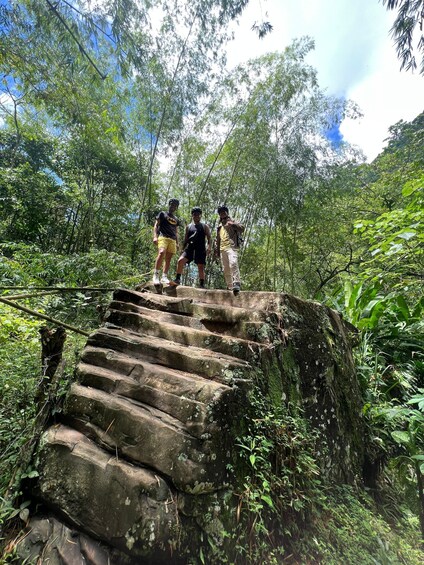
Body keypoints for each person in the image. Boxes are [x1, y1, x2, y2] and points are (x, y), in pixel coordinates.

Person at [170, 207, 212, 288]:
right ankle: (178, 279)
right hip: (190, 248)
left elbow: (209, 238)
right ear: (192, 216)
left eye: (198, 214)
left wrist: (209, 247)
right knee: (180, 261)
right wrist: (182, 249)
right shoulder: (188, 227)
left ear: (200, 216)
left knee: (201, 266)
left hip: (200, 248)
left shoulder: (204, 226)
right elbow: (185, 239)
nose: (196, 216)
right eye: (194, 214)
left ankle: (202, 284)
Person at [215, 205, 244, 295]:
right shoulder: (219, 226)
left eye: (224, 211)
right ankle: (230, 286)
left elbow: (242, 228)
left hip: (232, 246)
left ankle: (237, 283)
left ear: (227, 212)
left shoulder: (232, 221)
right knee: (226, 268)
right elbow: (218, 239)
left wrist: (233, 224)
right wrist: (216, 251)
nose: (222, 213)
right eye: (220, 212)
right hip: (222, 249)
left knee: (233, 263)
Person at [152, 198, 180, 285]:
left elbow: (176, 231)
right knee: (161, 252)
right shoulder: (162, 213)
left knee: (168, 258)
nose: (173, 207)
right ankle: (156, 275)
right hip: (163, 236)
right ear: (169, 205)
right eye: (172, 205)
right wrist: (155, 237)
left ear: (176, 208)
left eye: (175, 206)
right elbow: (156, 225)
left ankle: (164, 276)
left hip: (172, 239)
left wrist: (177, 242)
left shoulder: (176, 219)